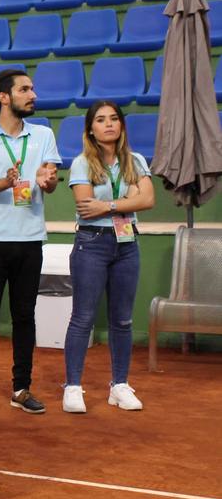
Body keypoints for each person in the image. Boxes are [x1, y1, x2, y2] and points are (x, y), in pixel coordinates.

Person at [0, 69, 61, 415]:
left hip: (30, 238)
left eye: (32, 88)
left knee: (24, 315)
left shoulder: (44, 135)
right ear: (4, 97)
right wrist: (6, 182)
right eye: (25, 89)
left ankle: (21, 388)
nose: (32, 95)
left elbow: (49, 182)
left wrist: (48, 181)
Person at [62, 102, 155, 413]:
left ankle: (120, 385)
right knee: (83, 318)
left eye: (114, 119)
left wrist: (110, 206)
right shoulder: (81, 163)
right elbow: (86, 205)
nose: (109, 124)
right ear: (91, 129)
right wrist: (127, 200)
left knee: (123, 320)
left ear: (122, 125)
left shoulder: (136, 160)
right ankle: (73, 386)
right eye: (101, 120)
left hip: (127, 244)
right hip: (92, 243)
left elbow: (149, 199)